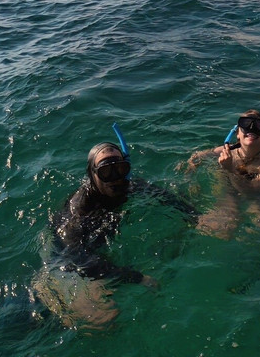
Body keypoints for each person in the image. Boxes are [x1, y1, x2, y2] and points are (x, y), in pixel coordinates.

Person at [33, 141, 197, 329]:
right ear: (92, 175)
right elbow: (76, 256)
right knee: (106, 318)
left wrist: (195, 217)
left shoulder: (128, 186)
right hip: (63, 264)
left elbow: (164, 196)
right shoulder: (79, 210)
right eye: (105, 172)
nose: (115, 178)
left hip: (94, 253)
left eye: (120, 168)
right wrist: (137, 277)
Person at [183, 110, 260, 238]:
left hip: (254, 198)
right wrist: (190, 170)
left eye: (259, 126)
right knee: (225, 229)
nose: (252, 129)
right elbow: (197, 156)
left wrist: (229, 169)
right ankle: (186, 222)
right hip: (228, 193)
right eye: (245, 124)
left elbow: (251, 191)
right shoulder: (227, 150)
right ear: (237, 133)